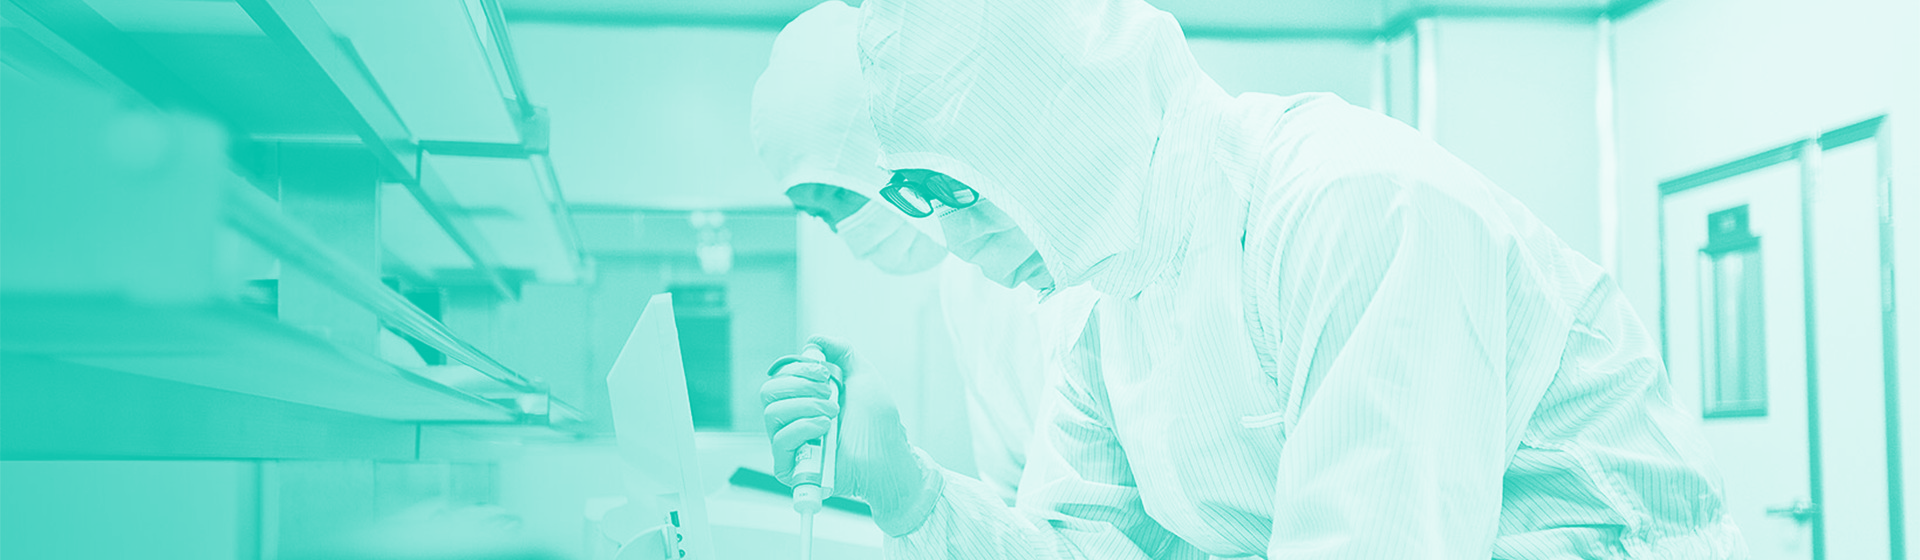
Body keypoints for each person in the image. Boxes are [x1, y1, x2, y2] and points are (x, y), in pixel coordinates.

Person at [760, 0, 1749, 558]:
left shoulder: (1351, 207)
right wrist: (912, 492)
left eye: (961, 194)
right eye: (921, 201)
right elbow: (1089, 546)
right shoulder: (1107, 306)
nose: (959, 244)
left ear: (1051, 133)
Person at [749, 0, 1099, 504]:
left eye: (836, 200)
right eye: (823, 218)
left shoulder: (1071, 257)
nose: (845, 230)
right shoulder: (963, 282)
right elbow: (1014, 493)